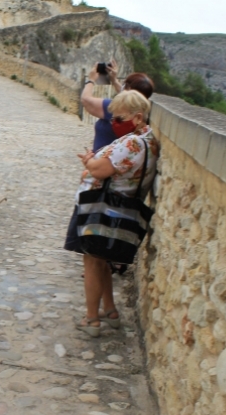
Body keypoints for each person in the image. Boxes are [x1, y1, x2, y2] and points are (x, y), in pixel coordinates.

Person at [64, 90, 159, 337]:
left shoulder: (132, 143)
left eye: (119, 118)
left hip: (102, 210)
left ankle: (92, 319)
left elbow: (98, 170)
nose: (114, 124)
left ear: (137, 117)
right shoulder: (149, 142)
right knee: (102, 259)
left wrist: (89, 161)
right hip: (121, 210)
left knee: (92, 261)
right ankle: (110, 310)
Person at [80, 60, 154, 151]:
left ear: (128, 88)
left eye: (125, 85)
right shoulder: (140, 113)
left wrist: (91, 80)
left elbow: (86, 100)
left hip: (103, 160)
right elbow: (129, 98)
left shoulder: (115, 108)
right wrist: (114, 80)